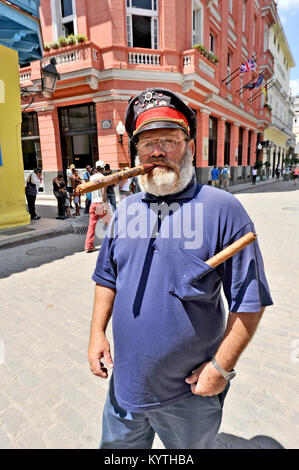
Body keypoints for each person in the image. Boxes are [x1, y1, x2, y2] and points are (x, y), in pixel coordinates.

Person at [88, 88, 273, 450]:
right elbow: (106, 278)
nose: (157, 151)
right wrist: (97, 332)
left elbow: (249, 301)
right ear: (135, 152)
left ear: (189, 146)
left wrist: (220, 369)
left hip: (190, 397)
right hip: (125, 388)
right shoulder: (126, 210)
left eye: (169, 140)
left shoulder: (223, 209)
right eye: (147, 142)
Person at [84, 160, 111, 253]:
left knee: (91, 225)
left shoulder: (91, 177)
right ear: (103, 168)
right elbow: (104, 194)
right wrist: (105, 205)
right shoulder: (104, 178)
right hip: (100, 203)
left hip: (93, 203)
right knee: (110, 223)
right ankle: (113, 244)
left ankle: (89, 245)